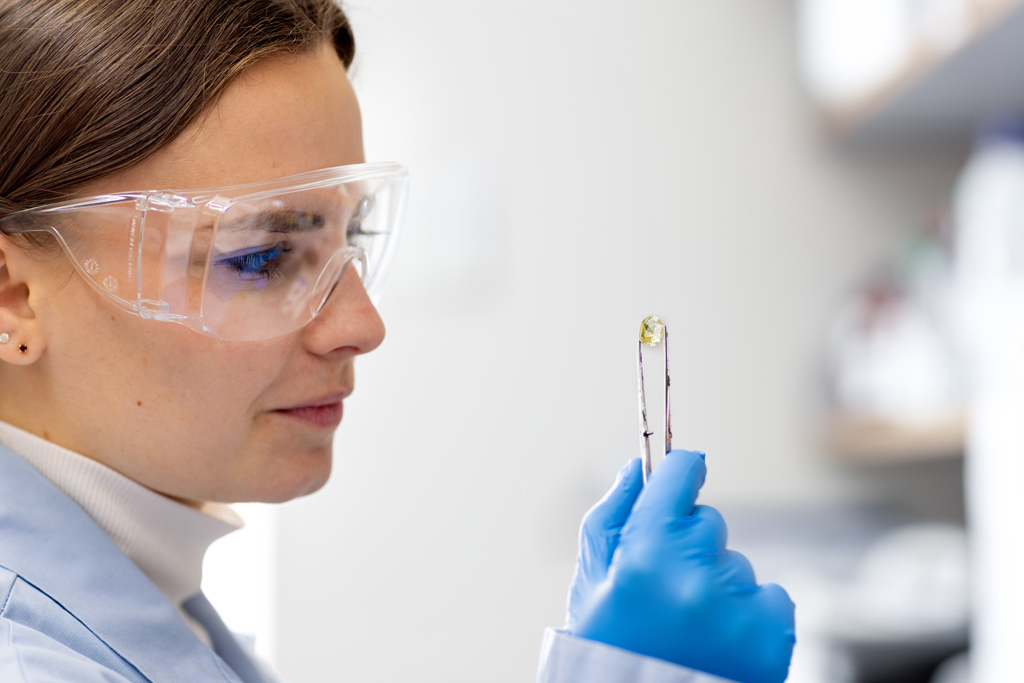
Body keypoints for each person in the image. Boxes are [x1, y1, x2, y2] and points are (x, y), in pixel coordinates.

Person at [0, 2, 795, 682]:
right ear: (14, 296)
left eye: (354, 231)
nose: (361, 325)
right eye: (261, 255)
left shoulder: (163, 597)